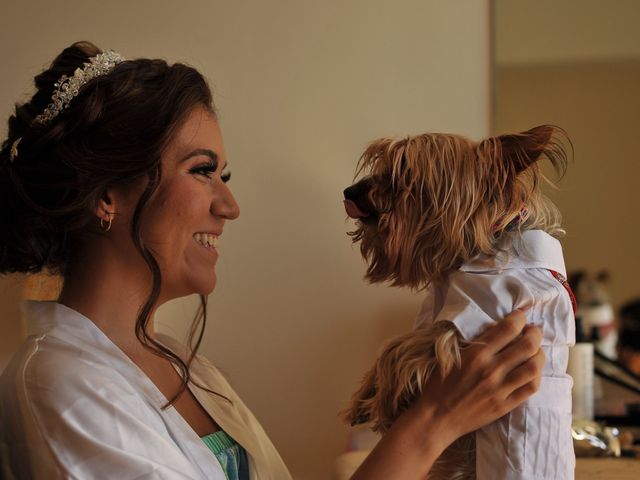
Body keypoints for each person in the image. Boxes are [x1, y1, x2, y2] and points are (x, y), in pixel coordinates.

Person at [0, 41, 544, 480]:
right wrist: (432, 422)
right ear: (105, 196)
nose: (229, 206)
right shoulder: (63, 387)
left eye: (224, 177)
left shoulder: (179, 362)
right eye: (201, 170)